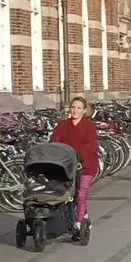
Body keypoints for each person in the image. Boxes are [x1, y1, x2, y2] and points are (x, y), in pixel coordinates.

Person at [50, 96, 101, 242]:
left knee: (81, 193)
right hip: (67, 165)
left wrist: (75, 153)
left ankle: (78, 224)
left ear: (84, 111)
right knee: (68, 194)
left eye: (79, 108)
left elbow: (89, 144)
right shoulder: (62, 125)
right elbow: (54, 141)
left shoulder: (89, 126)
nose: (75, 111)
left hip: (85, 165)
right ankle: (83, 216)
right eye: (73, 107)